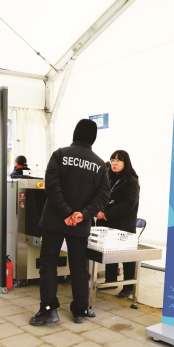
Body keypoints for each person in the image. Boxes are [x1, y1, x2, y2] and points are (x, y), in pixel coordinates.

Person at [31, 119, 110, 325]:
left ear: (75, 133)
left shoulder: (60, 155)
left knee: (49, 264)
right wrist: (83, 214)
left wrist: (66, 212)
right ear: (93, 138)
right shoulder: (100, 165)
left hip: (54, 221)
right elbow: (103, 195)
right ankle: (80, 310)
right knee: (78, 266)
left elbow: (51, 187)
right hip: (80, 225)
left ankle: (49, 310)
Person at [97, 150, 140, 299]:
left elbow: (128, 204)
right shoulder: (108, 178)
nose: (114, 163)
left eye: (118, 160)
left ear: (125, 162)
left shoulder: (131, 181)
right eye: (112, 160)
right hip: (106, 222)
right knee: (109, 252)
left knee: (126, 255)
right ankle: (111, 280)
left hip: (123, 224)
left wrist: (106, 214)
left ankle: (128, 287)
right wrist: (98, 210)